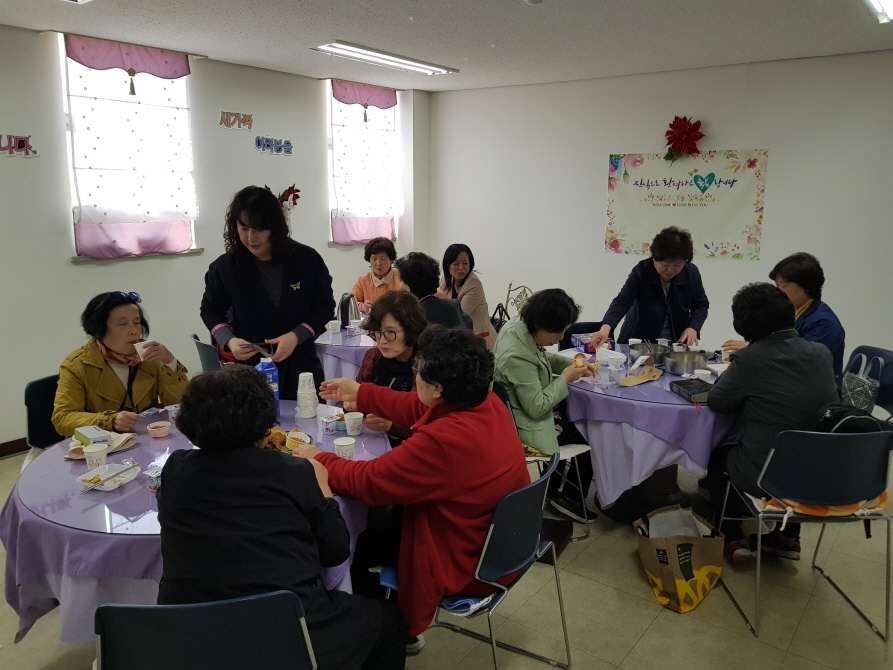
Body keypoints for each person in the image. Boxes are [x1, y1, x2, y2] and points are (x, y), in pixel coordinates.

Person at [156, 366, 407, 670]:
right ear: (265, 430)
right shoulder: (292, 472)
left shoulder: (175, 469)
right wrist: (324, 490)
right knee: (389, 621)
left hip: (186, 632)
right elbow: (335, 552)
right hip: (286, 628)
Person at [294, 327, 529, 647]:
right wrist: (362, 393)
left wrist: (319, 459)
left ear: (438, 388)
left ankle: (384, 630)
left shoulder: (446, 441)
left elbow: (369, 481)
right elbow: (417, 406)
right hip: (501, 543)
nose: (414, 374)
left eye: (418, 370)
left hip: (464, 557)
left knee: (354, 539)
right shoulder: (484, 401)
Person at [706, 283, 838, 564]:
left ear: (743, 324)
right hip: (820, 471)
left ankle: (732, 536)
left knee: (717, 458)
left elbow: (718, 402)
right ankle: (788, 537)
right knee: (798, 445)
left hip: (767, 472)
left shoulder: (749, 359)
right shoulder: (821, 353)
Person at [200, 185, 335, 397]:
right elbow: (210, 311)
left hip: (301, 366)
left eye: (260, 229)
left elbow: (325, 306)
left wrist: (296, 336)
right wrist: (229, 340)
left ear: (275, 227)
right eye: (244, 228)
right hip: (250, 370)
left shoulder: (307, 260)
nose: (251, 237)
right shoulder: (225, 267)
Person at [493, 289, 599, 524]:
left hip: (517, 412)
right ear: (540, 324)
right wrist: (566, 378)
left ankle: (552, 488)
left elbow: (540, 360)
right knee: (589, 432)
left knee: (573, 418)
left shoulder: (517, 326)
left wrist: (572, 365)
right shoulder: (516, 355)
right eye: (557, 331)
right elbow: (537, 407)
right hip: (522, 426)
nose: (560, 337)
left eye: (564, 330)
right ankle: (570, 497)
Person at [52, 291, 188, 437]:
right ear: (98, 330)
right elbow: (63, 418)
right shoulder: (76, 365)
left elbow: (182, 406)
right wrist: (109, 420)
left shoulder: (150, 355)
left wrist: (170, 363)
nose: (134, 331)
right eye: (122, 324)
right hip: (104, 444)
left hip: (148, 438)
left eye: (137, 322)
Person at [722, 252, 846, 377]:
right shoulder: (791, 312)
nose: (778, 291)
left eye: (784, 286)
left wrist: (751, 350)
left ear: (807, 287)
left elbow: (796, 361)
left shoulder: (824, 324)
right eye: (777, 285)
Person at [592, 226, 709, 347]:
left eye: (678, 265)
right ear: (654, 258)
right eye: (665, 264)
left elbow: (701, 305)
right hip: (639, 341)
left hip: (675, 343)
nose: (670, 270)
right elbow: (622, 301)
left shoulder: (691, 273)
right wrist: (606, 327)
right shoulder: (642, 271)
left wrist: (693, 327)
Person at [355, 290, 428, 443]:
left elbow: (427, 424)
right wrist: (352, 402)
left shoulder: (425, 367)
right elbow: (358, 399)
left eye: (390, 332)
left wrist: (392, 426)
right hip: (370, 440)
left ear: (411, 330)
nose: (382, 340)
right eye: (378, 331)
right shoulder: (373, 356)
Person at [436, 244, 497, 350]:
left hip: (479, 341)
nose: (461, 268)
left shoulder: (474, 283)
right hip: (459, 338)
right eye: (456, 264)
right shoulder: (446, 279)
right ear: (447, 265)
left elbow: (459, 315)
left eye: (465, 263)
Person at [394, 252, 472, 330]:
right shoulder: (454, 304)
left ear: (408, 286)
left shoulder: (412, 317)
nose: (399, 285)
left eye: (400, 280)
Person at [351, 236, 404, 314]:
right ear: (369, 260)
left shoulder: (401, 278)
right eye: (374, 259)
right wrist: (362, 306)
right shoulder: (363, 280)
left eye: (383, 259)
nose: (378, 263)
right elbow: (350, 302)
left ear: (391, 260)